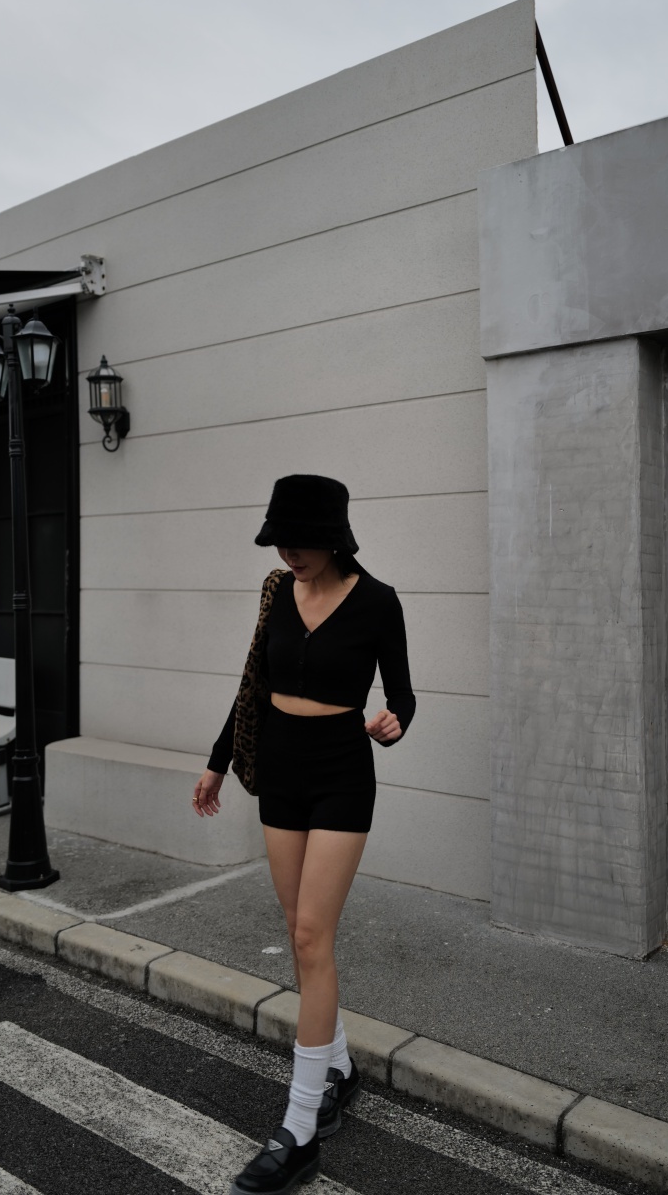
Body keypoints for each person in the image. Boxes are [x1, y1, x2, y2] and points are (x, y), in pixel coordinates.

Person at [192, 473, 415, 1195]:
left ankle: (298, 1131)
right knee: (298, 932)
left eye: (300, 541)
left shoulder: (378, 602)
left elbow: (403, 694)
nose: (288, 553)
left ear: (335, 538)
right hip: (281, 769)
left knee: (314, 936)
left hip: (342, 773)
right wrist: (217, 764)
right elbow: (251, 687)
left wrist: (394, 721)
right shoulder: (275, 592)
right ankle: (339, 1070)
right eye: (280, 541)